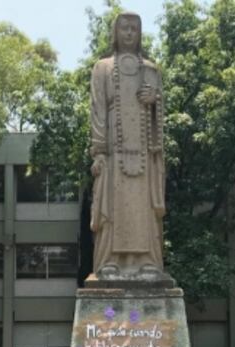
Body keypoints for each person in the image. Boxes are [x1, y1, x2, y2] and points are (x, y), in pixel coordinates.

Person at [89, 12, 166, 278]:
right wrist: (98, 151)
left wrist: (154, 102)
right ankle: (110, 261)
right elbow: (98, 111)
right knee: (113, 206)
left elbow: (159, 117)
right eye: (125, 28)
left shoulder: (151, 69)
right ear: (115, 32)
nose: (130, 33)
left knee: (143, 208)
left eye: (135, 28)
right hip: (114, 154)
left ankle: (146, 262)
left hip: (144, 156)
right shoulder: (103, 68)